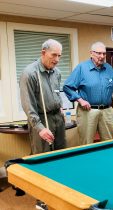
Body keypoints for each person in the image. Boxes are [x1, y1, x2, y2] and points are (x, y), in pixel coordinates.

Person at [19, 39, 66, 210]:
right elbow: (28, 106)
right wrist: (39, 128)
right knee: (43, 159)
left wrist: (60, 108)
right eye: (54, 55)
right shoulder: (29, 73)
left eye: (59, 56)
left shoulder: (57, 72)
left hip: (57, 118)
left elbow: (55, 94)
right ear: (43, 53)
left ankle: (60, 193)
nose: (57, 59)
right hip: (41, 120)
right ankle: (41, 201)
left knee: (61, 156)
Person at [63, 42, 113, 145]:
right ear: (91, 53)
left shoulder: (109, 68)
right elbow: (67, 87)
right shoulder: (82, 68)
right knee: (86, 143)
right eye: (99, 53)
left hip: (106, 111)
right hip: (87, 111)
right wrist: (80, 100)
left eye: (104, 54)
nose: (102, 56)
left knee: (108, 143)